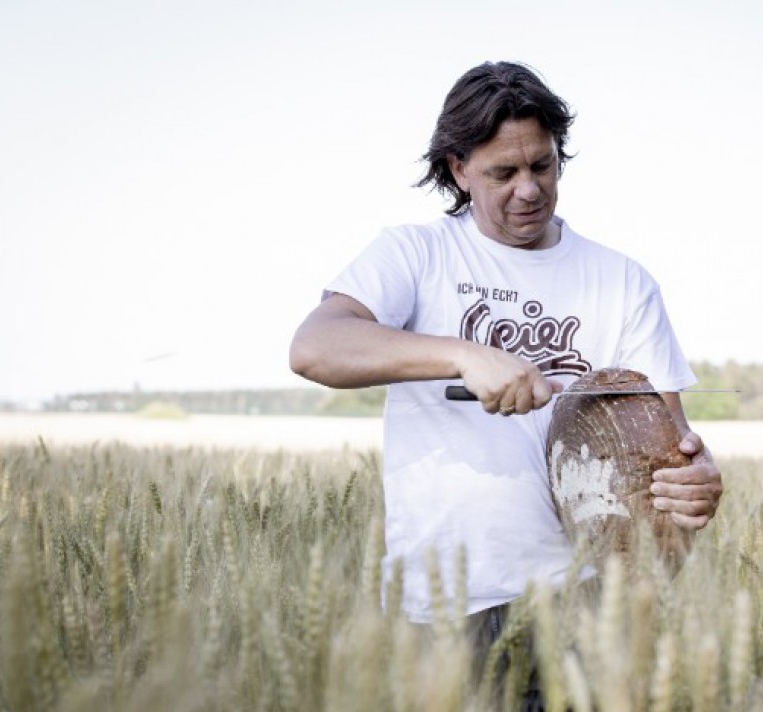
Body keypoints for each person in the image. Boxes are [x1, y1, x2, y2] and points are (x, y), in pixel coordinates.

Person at [289, 61, 722, 626]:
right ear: (459, 169)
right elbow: (315, 348)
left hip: (584, 606)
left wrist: (694, 477)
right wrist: (462, 354)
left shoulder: (622, 281)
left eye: (543, 165)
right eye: (503, 172)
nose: (529, 189)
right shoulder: (414, 256)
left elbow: (668, 442)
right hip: (444, 606)